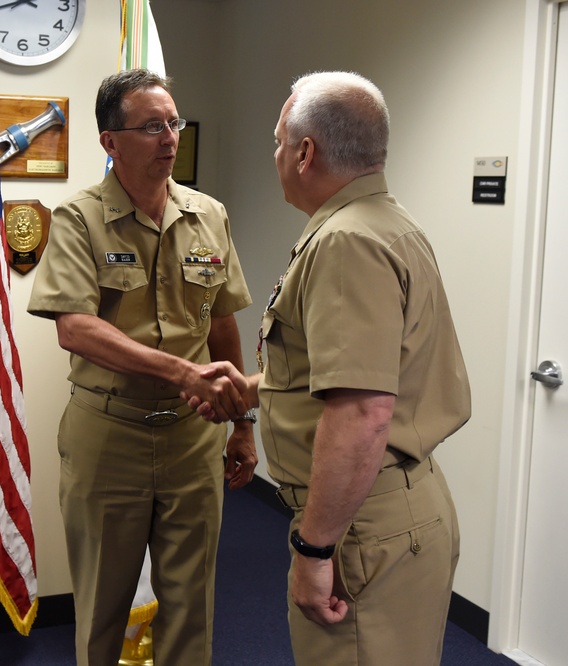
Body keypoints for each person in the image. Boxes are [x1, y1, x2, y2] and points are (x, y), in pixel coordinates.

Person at [194, 71, 470, 665]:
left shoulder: (346, 242)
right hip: (391, 506)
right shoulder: (384, 223)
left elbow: (364, 412)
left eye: (276, 142)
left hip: (363, 525)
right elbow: (355, 375)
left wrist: (314, 551)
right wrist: (254, 389)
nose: (274, 155)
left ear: (304, 152)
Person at [27, 68, 258, 666]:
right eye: (151, 126)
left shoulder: (209, 215)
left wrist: (243, 424)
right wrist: (182, 372)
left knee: (191, 608)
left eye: (173, 123)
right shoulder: (78, 218)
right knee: (102, 609)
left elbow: (223, 323)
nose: (170, 137)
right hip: (110, 438)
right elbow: (74, 328)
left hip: (192, 440)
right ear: (110, 141)